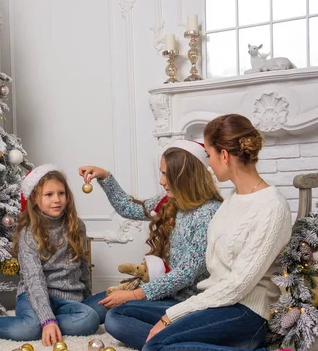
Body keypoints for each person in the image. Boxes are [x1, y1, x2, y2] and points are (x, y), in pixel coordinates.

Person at [112, 114, 318, 351]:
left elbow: (236, 287)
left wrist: (171, 316)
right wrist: (180, 311)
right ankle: (205, 346)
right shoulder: (232, 199)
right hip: (212, 302)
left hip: (244, 312)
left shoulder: (271, 208)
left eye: (208, 154)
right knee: (118, 317)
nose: (207, 163)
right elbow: (216, 278)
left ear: (224, 155)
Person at [79, 140, 223, 326]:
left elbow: (185, 274)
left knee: (115, 320)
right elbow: (129, 208)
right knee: (88, 309)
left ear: (187, 176)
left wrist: (133, 295)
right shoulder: (171, 201)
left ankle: (175, 335)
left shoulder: (208, 213)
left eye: (166, 175)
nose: (162, 181)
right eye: (162, 173)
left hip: (184, 303)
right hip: (160, 291)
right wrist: (105, 177)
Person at [0, 164, 99, 346]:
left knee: (91, 317)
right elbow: (33, 279)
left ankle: (48, 321)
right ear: (35, 199)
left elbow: (82, 265)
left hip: (68, 299)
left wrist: (87, 299)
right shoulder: (29, 233)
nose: (57, 200)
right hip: (32, 295)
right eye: (49, 195)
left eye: (61, 193)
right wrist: (47, 320)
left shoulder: (77, 226)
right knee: (29, 329)